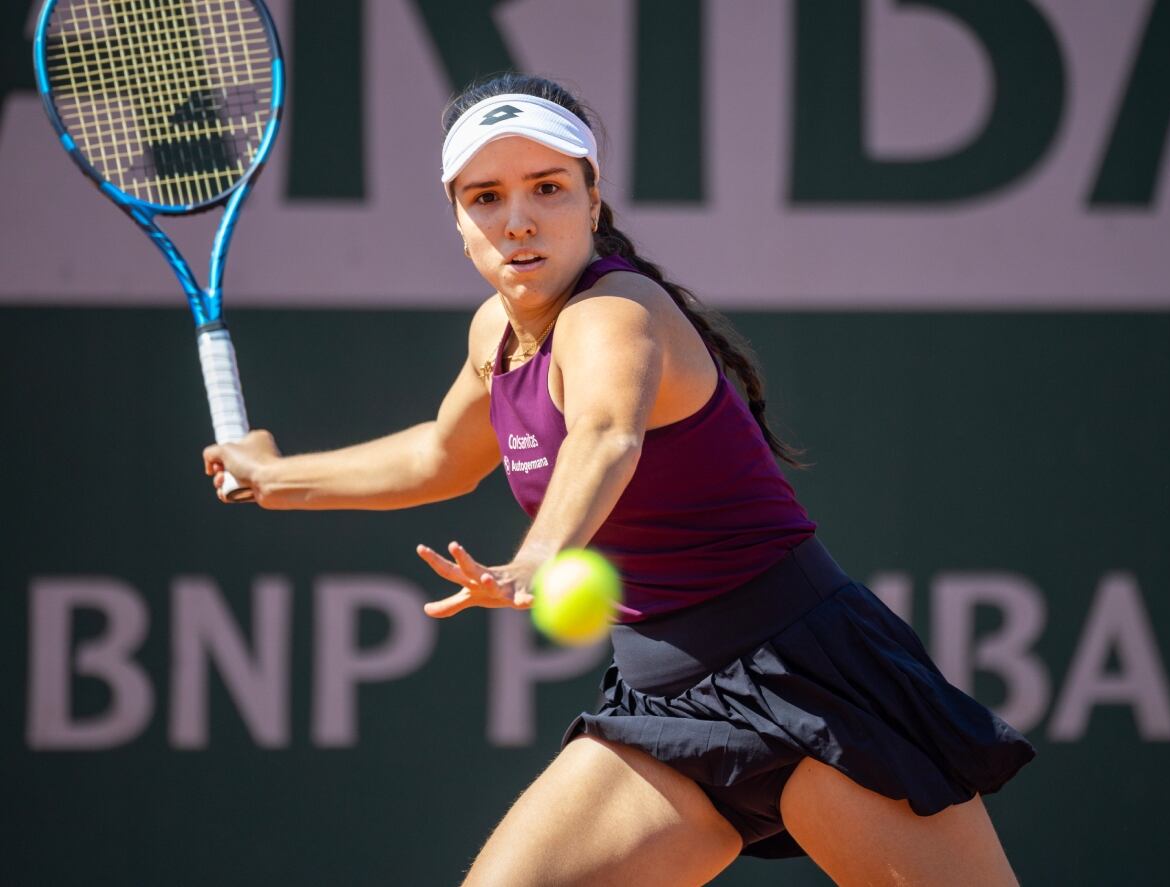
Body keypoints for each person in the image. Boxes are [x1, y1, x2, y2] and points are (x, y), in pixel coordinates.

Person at [203, 73, 1034, 886]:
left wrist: (537, 557)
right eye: (486, 197)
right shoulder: (495, 332)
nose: (519, 220)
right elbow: (438, 457)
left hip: (810, 677)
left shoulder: (616, 313)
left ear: (592, 202)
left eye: (548, 188)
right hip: (665, 702)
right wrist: (275, 475)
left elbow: (605, 435)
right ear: (457, 219)